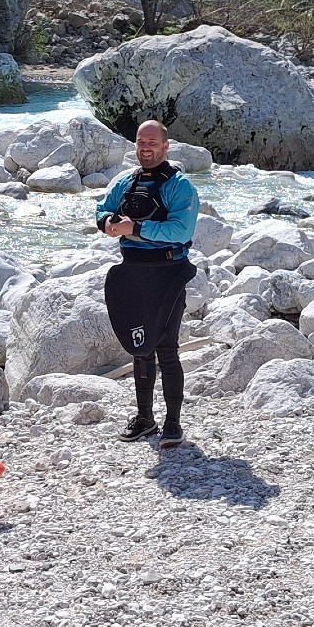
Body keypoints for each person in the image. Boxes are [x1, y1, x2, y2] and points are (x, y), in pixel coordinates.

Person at [96, 120, 200, 446]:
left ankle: (173, 424)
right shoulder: (126, 182)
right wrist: (108, 223)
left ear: (166, 146)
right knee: (140, 351)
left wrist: (135, 229)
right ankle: (144, 418)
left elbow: (181, 231)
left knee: (166, 350)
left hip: (169, 273)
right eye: (141, 141)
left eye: (152, 142)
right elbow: (104, 208)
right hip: (133, 273)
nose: (146, 147)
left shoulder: (180, 186)